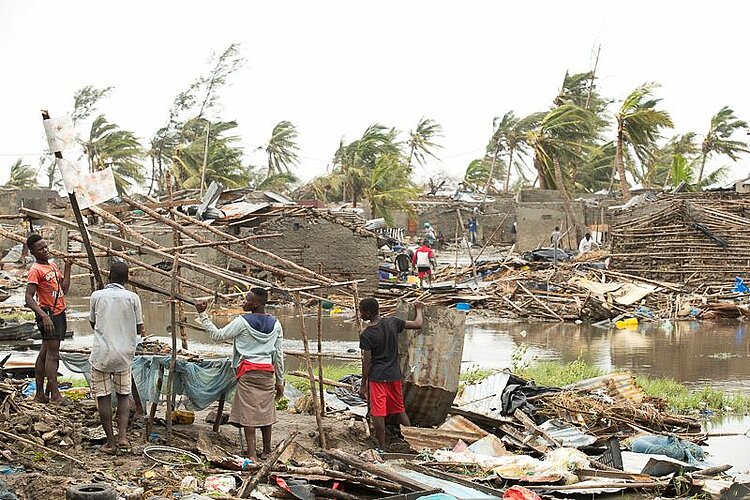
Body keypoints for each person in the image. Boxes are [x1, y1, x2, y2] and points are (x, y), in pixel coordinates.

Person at [195, 288, 284, 460]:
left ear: (255, 304)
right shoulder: (276, 323)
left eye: (246, 299)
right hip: (267, 373)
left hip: (248, 372)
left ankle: (251, 454)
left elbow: (218, 336)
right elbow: (278, 355)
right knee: (266, 411)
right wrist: (280, 381)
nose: (243, 302)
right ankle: (266, 451)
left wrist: (203, 314)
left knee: (248, 414)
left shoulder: (242, 321)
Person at [88, 261, 144, 454]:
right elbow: (139, 328)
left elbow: (93, 322)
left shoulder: (97, 296)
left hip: (101, 355)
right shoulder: (132, 297)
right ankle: (122, 437)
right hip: (124, 355)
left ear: (108, 277)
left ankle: (110, 443)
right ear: (127, 279)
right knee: (123, 396)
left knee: (103, 397)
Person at [358, 298, 424, 451]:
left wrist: (363, 385)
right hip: (394, 375)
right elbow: (417, 324)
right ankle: (414, 443)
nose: (360, 314)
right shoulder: (392, 322)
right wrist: (419, 309)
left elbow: (367, 362)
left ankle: (382, 446)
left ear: (368, 313)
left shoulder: (367, 334)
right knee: (399, 409)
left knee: (377, 411)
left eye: (361, 311)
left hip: (378, 377)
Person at [24, 234, 72, 404]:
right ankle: (56, 396)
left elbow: (64, 290)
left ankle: (39, 394)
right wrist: (44, 316)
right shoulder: (35, 270)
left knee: (45, 353)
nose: (45, 250)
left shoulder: (52, 266)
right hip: (49, 314)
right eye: (40, 249)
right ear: (33, 252)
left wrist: (67, 267)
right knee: (53, 355)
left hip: (59, 312)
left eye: (45, 247)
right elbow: (28, 298)